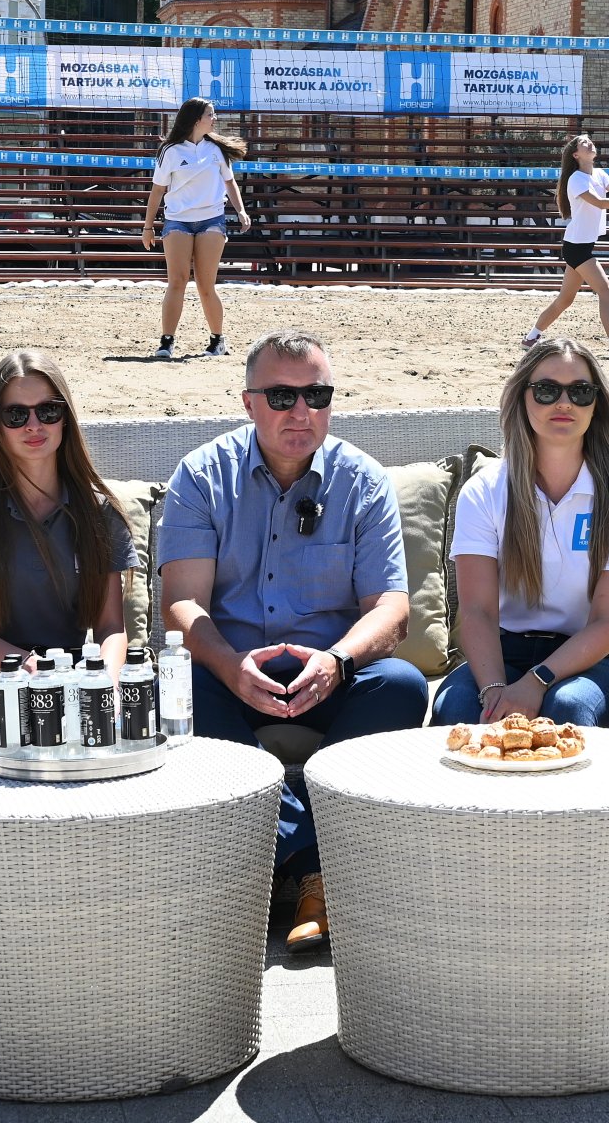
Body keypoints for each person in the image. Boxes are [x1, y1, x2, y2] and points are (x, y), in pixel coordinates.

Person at [157, 329, 430, 952]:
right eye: (281, 396)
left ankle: (271, 863)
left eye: (317, 395)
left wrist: (335, 663)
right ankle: (311, 864)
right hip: (229, 671)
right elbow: (182, 606)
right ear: (248, 402)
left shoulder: (362, 481)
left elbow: (390, 608)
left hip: (328, 673)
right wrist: (232, 668)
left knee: (400, 685)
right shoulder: (201, 476)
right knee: (180, 684)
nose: (301, 412)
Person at [431, 338, 609, 729]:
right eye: (547, 390)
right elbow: (478, 611)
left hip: (602, 659)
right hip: (506, 651)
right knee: (459, 714)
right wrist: (494, 689)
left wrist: (537, 681)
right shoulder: (485, 491)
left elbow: (607, 621)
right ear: (523, 398)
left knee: (567, 709)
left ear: (596, 404)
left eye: (581, 392)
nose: (564, 404)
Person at [0, 350, 137, 725]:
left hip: (78, 675)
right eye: (16, 415)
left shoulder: (99, 511)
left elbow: (110, 627)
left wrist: (108, 683)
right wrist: (32, 669)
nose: (34, 425)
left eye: (48, 411)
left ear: (65, 418)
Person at [522, 134, 609, 360]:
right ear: (576, 155)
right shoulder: (576, 179)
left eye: (590, 141)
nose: (590, 143)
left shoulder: (599, 173)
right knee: (607, 292)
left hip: (581, 244)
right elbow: (602, 203)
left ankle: (531, 338)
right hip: (577, 247)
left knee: (565, 300)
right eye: (585, 143)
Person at [142, 97, 251, 361]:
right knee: (176, 281)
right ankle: (167, 342)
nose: (214, 119)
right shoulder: (171, 151)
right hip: (177, 220)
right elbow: (157, 191)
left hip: (212, 219)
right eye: (210, 114)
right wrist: (147, 226)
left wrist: (241, 210)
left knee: (206, 284)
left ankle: (217, 340)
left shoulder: (216, 150)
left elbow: (230, 182)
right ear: (196, 119)